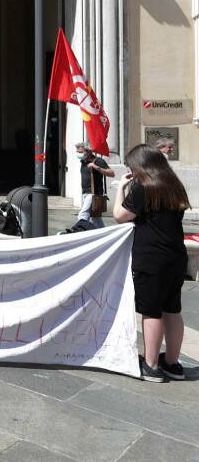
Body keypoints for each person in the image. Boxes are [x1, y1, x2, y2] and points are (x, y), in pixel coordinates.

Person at [114, 144, 191, 383]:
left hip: (151, 257)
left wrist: (121, 189)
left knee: (151, 312)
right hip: (176, 256)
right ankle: (172, 363)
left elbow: (119, 216)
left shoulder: (143, 188)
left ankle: (151, 365)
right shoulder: (174, 185)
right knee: (172, 309)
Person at [77, 141, 114, 228]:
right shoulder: (83, 162)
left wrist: (96, 167)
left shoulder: (98, 161)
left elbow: (111, 173)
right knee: (95, 218)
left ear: (88, 151)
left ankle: (80, 231)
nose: (78, 154)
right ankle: (104, 234)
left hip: (94, 193)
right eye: (77, 152)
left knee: (83, 214)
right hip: (85, 193)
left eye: (80, 152)